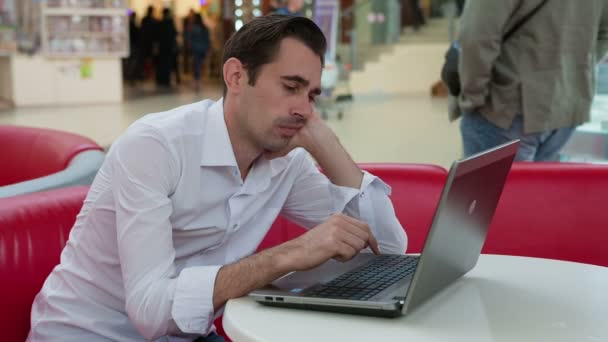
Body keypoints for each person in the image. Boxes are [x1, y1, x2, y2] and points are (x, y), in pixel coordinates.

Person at [28, 15, 407, 341]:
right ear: (236, 76)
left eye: (312, 95)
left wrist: (326, 145)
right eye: (291, 88)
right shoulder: (157, 146)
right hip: (88, 331)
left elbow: (389, 249)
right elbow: (150, 311)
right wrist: (290, 254)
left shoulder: (285, 162)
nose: (303, 109)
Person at [457, 0, 608, 161]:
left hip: (507, 105)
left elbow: (477, 36)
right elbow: (604, 34)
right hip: (567, 104)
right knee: (535, 184)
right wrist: (572, 72)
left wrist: (473, 96)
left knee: (492, 186)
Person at [187, 13, 211, 90]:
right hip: (203, 48)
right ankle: (198, 79)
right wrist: (207, 47)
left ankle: (197, 80)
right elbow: (207, 39)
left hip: (196, 49)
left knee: (196, 64)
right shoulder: (204, 27)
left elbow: (189, 39)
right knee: (199, 64)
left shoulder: (193, 28)